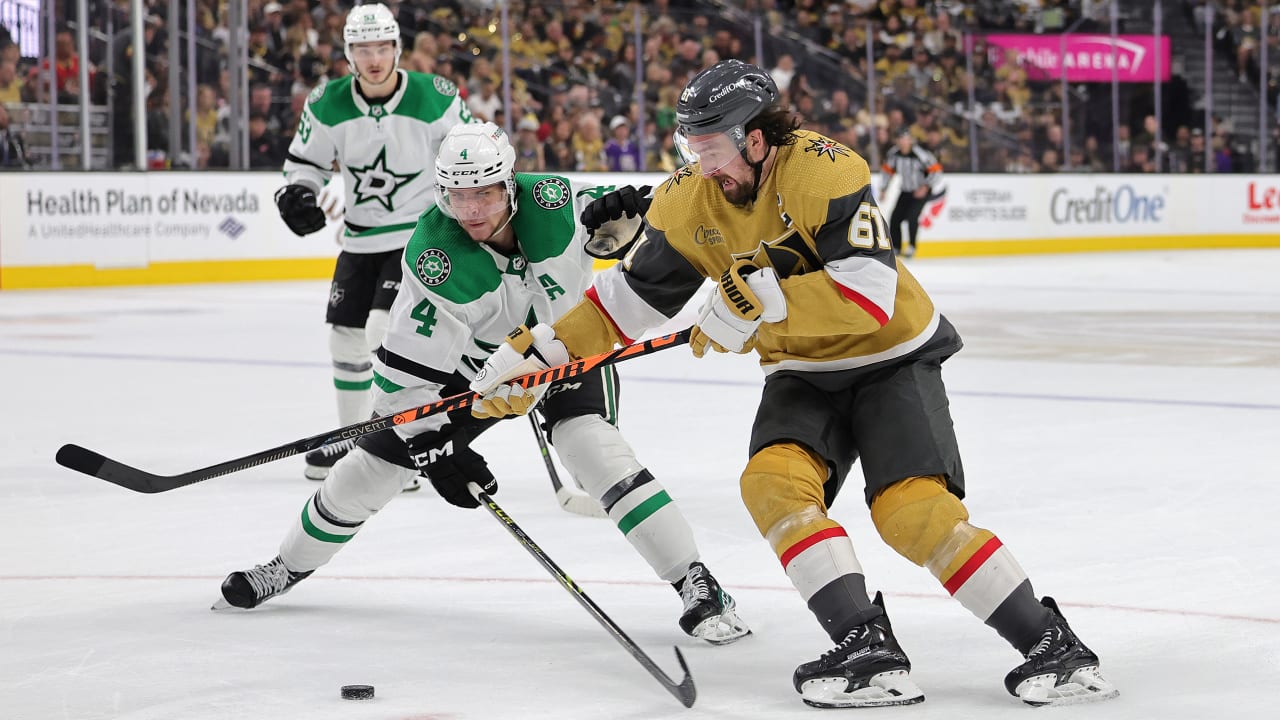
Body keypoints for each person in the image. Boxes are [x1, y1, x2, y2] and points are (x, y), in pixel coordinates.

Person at [470, 60, 1118, 709]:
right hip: (801, 370)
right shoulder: (691, 197)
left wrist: (757, 306)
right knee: (772, 484)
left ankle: (1051, 646)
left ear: (757, 139)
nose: (705, 167)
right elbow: (624, 303)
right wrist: (539, 353)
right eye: (693, 151)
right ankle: (866, 644)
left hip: (891, 356)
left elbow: (869, 295)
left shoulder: (827, 170)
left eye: (715, 150)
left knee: (912, 513)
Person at [215, 122, 752, 648]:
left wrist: (637, 227)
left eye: (485, 193)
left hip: (567, 350)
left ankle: (698, 584)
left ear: (509, 183)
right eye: (457, 195)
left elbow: (652, 216)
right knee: (367, 473)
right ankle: (284, 567)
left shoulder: (555, 201)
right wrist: (431, 447)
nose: (471, 209)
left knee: (596, 454)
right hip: (475, 375)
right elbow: (406, 378)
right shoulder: (434, 254)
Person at [273, 3, 474, 483]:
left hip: (418, 236)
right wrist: (297, 190)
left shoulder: (434, 96)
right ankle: (353, 442)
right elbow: (305, 162)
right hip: (360, 240)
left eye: (383, 46)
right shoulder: (327, 102)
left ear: (398, 49)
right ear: (349, 53)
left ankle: (395, 444)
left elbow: (469, 151)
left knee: (384, 331)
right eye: (364, 48)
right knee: (343, 337)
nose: (374, 57)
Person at [880, 126, 943, 258]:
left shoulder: (921, 154)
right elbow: (888, 171)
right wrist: (884, 189)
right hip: (906, 190)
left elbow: (936, 171)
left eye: (905, 139)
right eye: (900, 139)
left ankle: (912, 246)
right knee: (895, 218)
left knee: (912, 217)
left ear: (910, 140)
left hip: (921, 191)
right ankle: (896, 247)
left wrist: (925, 186)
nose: (903, 142)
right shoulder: (894, 154)